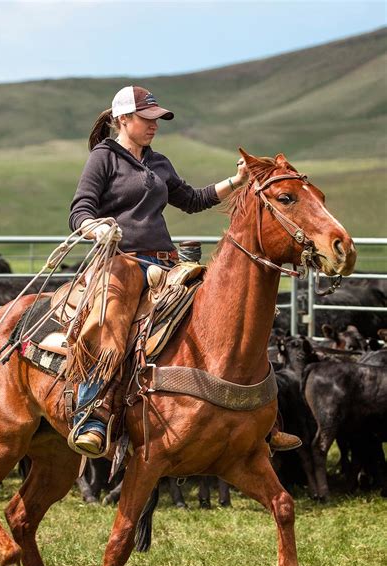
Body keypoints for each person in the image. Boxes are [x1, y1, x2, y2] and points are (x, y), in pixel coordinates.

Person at [67, 85, 301, 456]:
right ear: (123, 120)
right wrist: (97, 227)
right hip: (122, 260)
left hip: (166, 261)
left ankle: (262, 417)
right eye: (146, 119)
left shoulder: (159, 162)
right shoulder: (104, 158)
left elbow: (191, 200)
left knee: (226, 315)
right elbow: (80, 210)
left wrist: (237, 182)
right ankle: (91, 412)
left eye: (156, 120)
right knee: (110, 321)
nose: (154, 126)